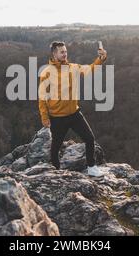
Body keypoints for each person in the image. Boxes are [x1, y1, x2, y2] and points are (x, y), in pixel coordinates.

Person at [38, 41, 107, 177]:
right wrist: (44, 117)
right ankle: (56, 172)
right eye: (61, 52)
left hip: (74, 114)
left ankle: (92, 167)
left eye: (65, 51)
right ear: (54, 53)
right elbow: (42, 97)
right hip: (57, 117)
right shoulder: (46, 73)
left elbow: (90, 69)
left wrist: (101, 58)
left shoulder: (73, 67)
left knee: (89, 138)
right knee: (55, 148)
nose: (65, 54)